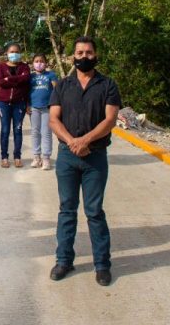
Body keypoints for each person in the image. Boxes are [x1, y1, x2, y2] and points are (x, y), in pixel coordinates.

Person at [48, 36, 121, 286]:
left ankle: (102, 264)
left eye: (88, 52)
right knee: (66, 210)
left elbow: (110, 120)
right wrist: (72, 142)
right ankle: (64, 260)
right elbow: (53, 119)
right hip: (67, 157)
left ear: (96, 55)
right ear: (72, 56)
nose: (84, 57)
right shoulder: (62, 86)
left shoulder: (108, 85)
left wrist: (85, 141)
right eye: (79, 52)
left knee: (94, 212)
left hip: (95, 158)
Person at [0, 42, 30, 168]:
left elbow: (26, 81)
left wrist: (8, 79)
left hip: (19, 104)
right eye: (11, 52)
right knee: (5, 130)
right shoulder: (0, 67)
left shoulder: (25, 67)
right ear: (7, 53)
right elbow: (0, 82)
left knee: (18, 130)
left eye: (16, 52)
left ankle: (17, 157)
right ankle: (4, 157)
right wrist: (17, 79)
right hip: (3, 104)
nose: (14, 54)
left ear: (20, 53)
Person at [29, 54, 58, 170]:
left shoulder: (51, 75)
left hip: (47, 108)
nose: (39, 63)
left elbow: (57, 90)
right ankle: (36, 157)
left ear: (45, 63)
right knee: (35, 132)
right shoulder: (30, 76)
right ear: (33, 63)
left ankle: (46, 158)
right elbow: (27, 91)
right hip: (34, 107)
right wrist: (27, 104)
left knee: (46, 133)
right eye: (36, 61)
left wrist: (55, 105)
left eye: (41, 61)